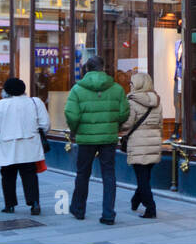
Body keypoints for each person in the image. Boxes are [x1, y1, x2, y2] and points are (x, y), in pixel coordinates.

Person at [64, 56, 130, 225]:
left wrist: (75, 129)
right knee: (109, 174)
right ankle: (108, 214)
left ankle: (78, 209)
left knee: (82, 173)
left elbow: (71, 114)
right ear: (103, 68)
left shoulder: (77, 89)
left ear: (87, 69)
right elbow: (124, 113)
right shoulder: (117, 89)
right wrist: (114, 124)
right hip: (108, 137)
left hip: (86, 138)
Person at [0, 77, 48, 216]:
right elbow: (45, 125)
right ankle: (34, 203)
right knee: (30, 175)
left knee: (7, 176)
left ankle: (10, 205)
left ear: (6, 91)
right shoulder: (35, 102)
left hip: (7, 147)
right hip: (29, 146)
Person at [121, 72, 163, 219]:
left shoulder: (131, 102)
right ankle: (135, 200)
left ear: (137, 84)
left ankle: (150, 208)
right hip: (154, 142)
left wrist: (119, 127)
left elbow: (127, 124)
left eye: (131, 83)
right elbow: (160, 123)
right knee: (144, 177)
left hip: (138, 144)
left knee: (142, 178)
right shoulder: (157, 101)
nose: (130, 85)